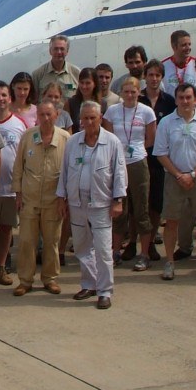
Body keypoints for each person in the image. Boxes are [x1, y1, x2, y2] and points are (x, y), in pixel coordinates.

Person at [58, 100, 128, 308]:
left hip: (102, 204)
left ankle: (105, 291)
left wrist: (118, 201)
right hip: (77, 203)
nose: (89, 122)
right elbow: (64, 171)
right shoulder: (73, 142)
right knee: (81, 245)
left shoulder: (112, 142)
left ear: (100, 118)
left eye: (92, 118)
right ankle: (89, 284)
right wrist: (62, 198)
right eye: (85, 118)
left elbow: (119, 173)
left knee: (103, 249)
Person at [156, 81, 196, 278]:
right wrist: (178, 175)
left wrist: (192, 175)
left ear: (195, 100)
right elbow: (160, 153)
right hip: (173, 178)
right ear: (176, 100)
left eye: (188, 97)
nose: (185, 101)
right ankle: (169, 263)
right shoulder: (166, 122)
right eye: (181, 98)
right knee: (172, 221)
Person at [11, 97, 69, 295]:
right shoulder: (28, 136)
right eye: (41, 114)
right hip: (29, 200)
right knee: (27, 241)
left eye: (49, 114)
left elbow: (69, 172)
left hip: (54, 201)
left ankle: (50, 278)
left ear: (56, 115)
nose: (45, 118)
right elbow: (18, 166)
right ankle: (25, 281)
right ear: (36, 116)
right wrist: (17, 193)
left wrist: (64, 199)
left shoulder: (65, 139)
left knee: (52, 241)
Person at [106, 75, 158, 271]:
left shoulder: (147, 112)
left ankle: (144, 254)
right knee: (119, 209)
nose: (129, 95)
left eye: (133, 91)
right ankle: (116, 251)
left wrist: (136, 150)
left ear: (139, 92)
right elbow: (109, 136)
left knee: (141, 210)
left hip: (138, 162)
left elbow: (151, 138)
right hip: (117, 164)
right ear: (121, 93)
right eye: (126, 91)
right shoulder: (112, 112)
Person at [0, 80, 25, 285]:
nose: (0, 99)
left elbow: (23, 156)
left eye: (3, 95)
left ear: (10, 98)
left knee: (6, 229)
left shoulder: (19, 124)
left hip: (10, 188)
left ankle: (0, 267)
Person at [33, 33, 80, 101]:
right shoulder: (38, 74)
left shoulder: (76, 73)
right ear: (50, 51)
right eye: (56, 49)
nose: (59, 52)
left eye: (62, 49)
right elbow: (33, 101)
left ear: (67, 51)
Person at [160, 29, 196, 96]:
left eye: (189, 44)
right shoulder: (163, 66)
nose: (188, 48)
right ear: (174, 47)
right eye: (184, 45)